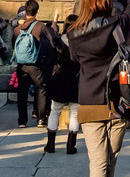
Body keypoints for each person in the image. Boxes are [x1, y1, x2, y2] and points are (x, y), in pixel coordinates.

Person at [66, 0, 130, 177]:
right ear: (107, 1)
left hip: (89, 100)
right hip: (118, 99)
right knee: (110, 158)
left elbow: (74, 60)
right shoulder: (117, 25)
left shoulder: (73, 34)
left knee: (99, 160)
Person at [13, 0, 56, 128]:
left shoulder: (17, 29)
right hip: (36, 63)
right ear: (37, 11)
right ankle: (41, 119)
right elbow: (52, 39)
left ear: (26, 11)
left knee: (22, 93)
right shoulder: (40, 26)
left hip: (21, 64)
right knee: (41, 89)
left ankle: (22, 121)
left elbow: (13, 44)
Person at [45, 14, 80, 154]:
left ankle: (51, 145)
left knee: (55, 111)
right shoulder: (81, 42)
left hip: (59, 79)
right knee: (74, 114)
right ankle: (71, 146)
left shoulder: (57, 41)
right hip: (76, 80)